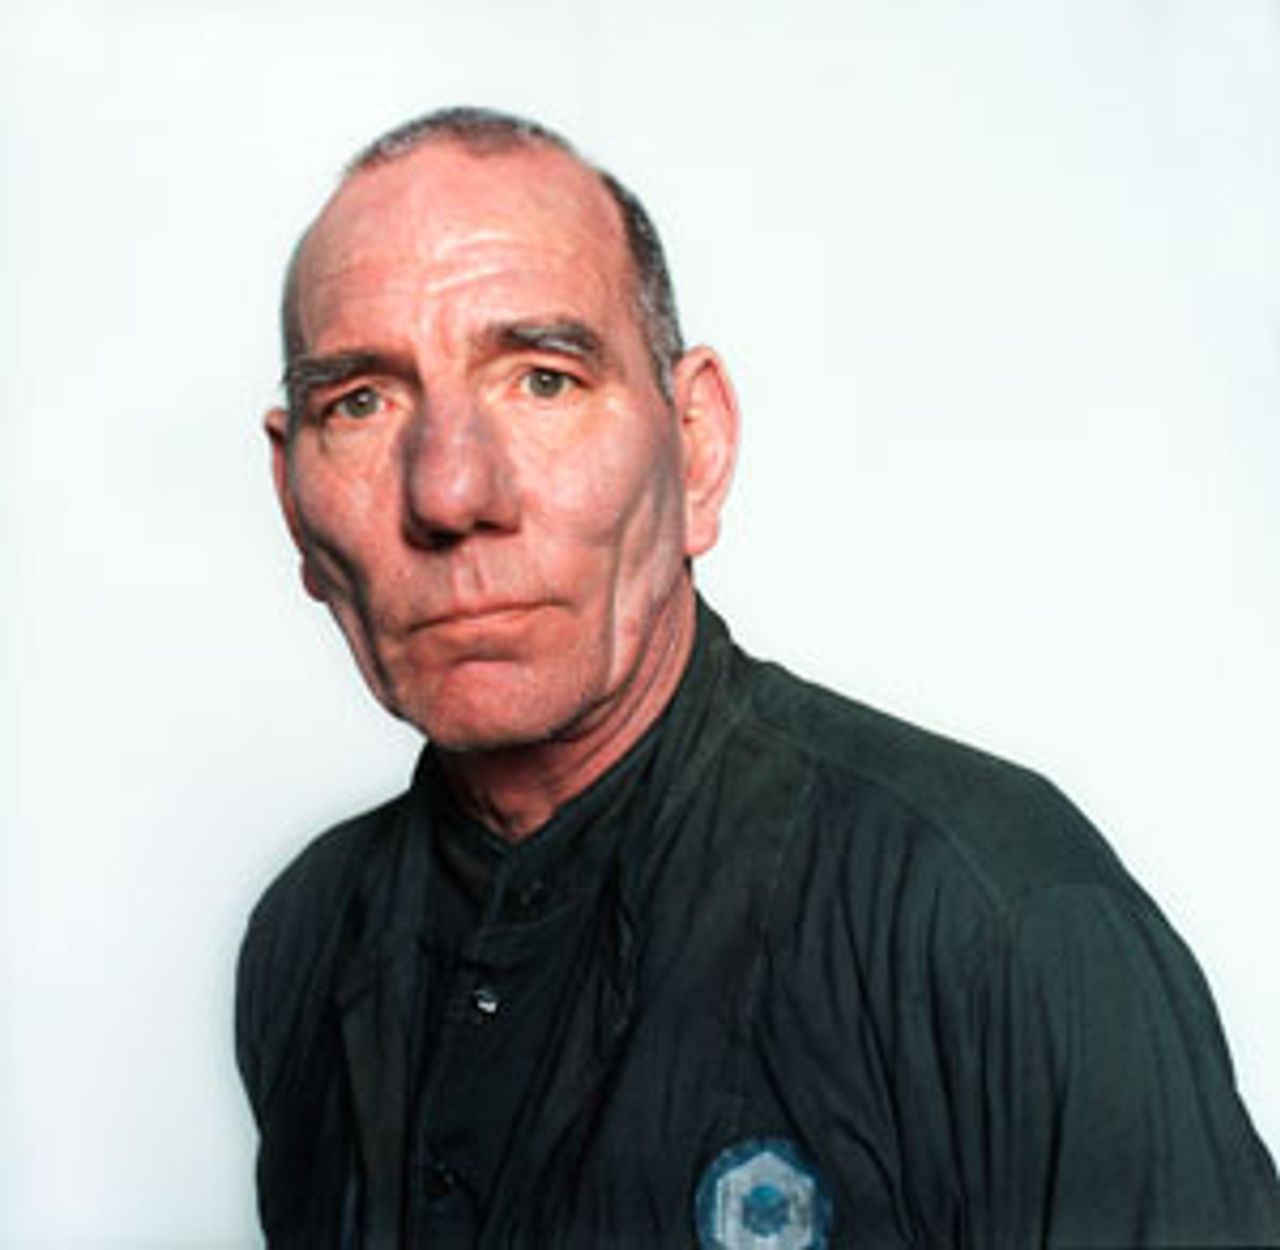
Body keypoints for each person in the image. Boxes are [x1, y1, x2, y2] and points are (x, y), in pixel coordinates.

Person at [237, 106, 1280, 1249]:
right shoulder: (304, 939)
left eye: (542, 380)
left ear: (696, 445)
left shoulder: (989, 919)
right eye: (360, 402)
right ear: (292, 500)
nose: (448, 492)